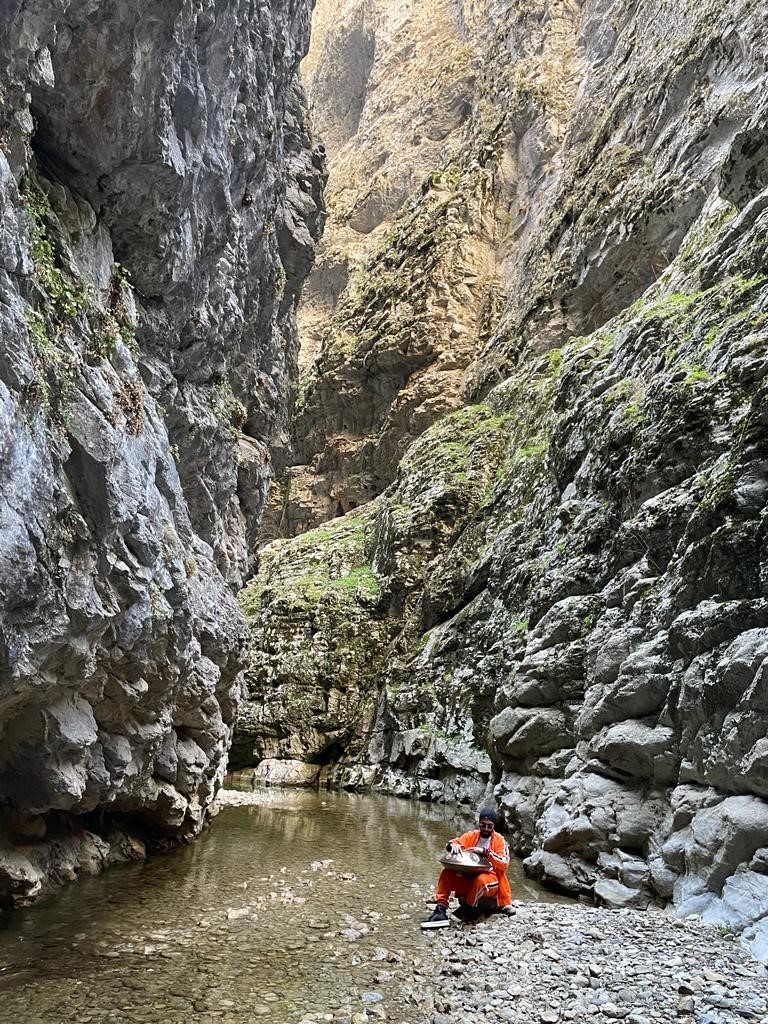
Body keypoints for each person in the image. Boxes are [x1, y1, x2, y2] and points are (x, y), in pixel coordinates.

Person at [421, 807, 512, 929]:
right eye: (483, 825)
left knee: (481, 880)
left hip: (491, 879)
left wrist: (486, 852)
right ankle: (440, 909)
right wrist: (452, 846)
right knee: (447, 873)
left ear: (493, 826)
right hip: (469, 876)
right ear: (479, 823)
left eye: (489, 826)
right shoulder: (472, 836)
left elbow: (504, 862)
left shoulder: (500, 840)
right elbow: (453, 842)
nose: (485, 829)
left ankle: (468, 908)